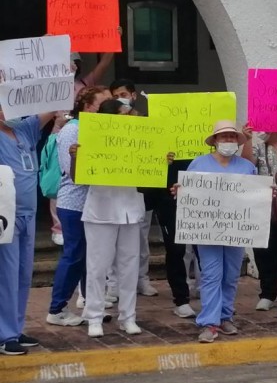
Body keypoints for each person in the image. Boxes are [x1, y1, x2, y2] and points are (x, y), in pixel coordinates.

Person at [78, 99, 167, 338]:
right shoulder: (93, 138)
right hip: (101, 210)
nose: (129, 117)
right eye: (123, 114)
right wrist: (77, 156)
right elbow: (79, 175)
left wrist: (160, 162)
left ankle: (128, 317)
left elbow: (148, 179)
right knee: (97, 267)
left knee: (129, 267)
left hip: (130, 209)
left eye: (129, 113)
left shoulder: (139, 140)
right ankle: (94, 316)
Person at [171, 120, 257, 342]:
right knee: (211, 275)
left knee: (230, 276)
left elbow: (255, 197)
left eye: (231, 137)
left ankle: (225, 316)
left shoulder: (247, 167)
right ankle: (209, 322)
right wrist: (180, 191)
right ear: (215, 141)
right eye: (223, 137)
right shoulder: (198, 164)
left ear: (237, 142)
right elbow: (187, 191)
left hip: (236, 230)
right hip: (207, 231)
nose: (227, 140)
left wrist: (267, 193)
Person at [0, 103, 57, 355]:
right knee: (6, 276)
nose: (6, 112)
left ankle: (16, 327)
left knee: (23, 275)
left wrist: (63, 76)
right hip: (5, 215)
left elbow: (54, 104)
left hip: (28, 214)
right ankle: (4, 334)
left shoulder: (25, 129)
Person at [45, 87, 104, 327]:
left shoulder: (99, 129)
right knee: (74, 255)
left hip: (93, 203)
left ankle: (92, 305)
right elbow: (72, 170)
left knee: (89, 256)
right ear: (88, 106)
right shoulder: (72, 130)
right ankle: (57, 308)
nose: (107, 107)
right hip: (74, 203)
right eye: (102, 103)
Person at [252, 131, 277, 311]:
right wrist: (246, 139)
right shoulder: (259, 146)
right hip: (264, 208)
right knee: (265, 252)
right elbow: (247, 165)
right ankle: (267, 293)